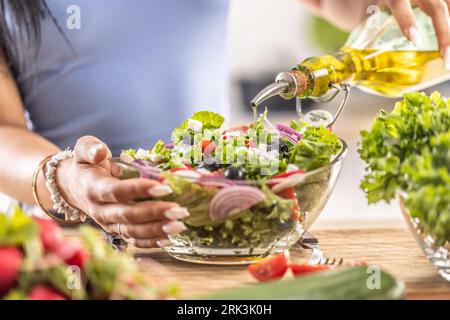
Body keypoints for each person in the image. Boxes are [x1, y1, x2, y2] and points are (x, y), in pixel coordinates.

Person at [0, 0, 448, 248]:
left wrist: (393, 8)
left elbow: (344, 5)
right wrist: (64, 179)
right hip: (65, 244)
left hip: (218, 230)